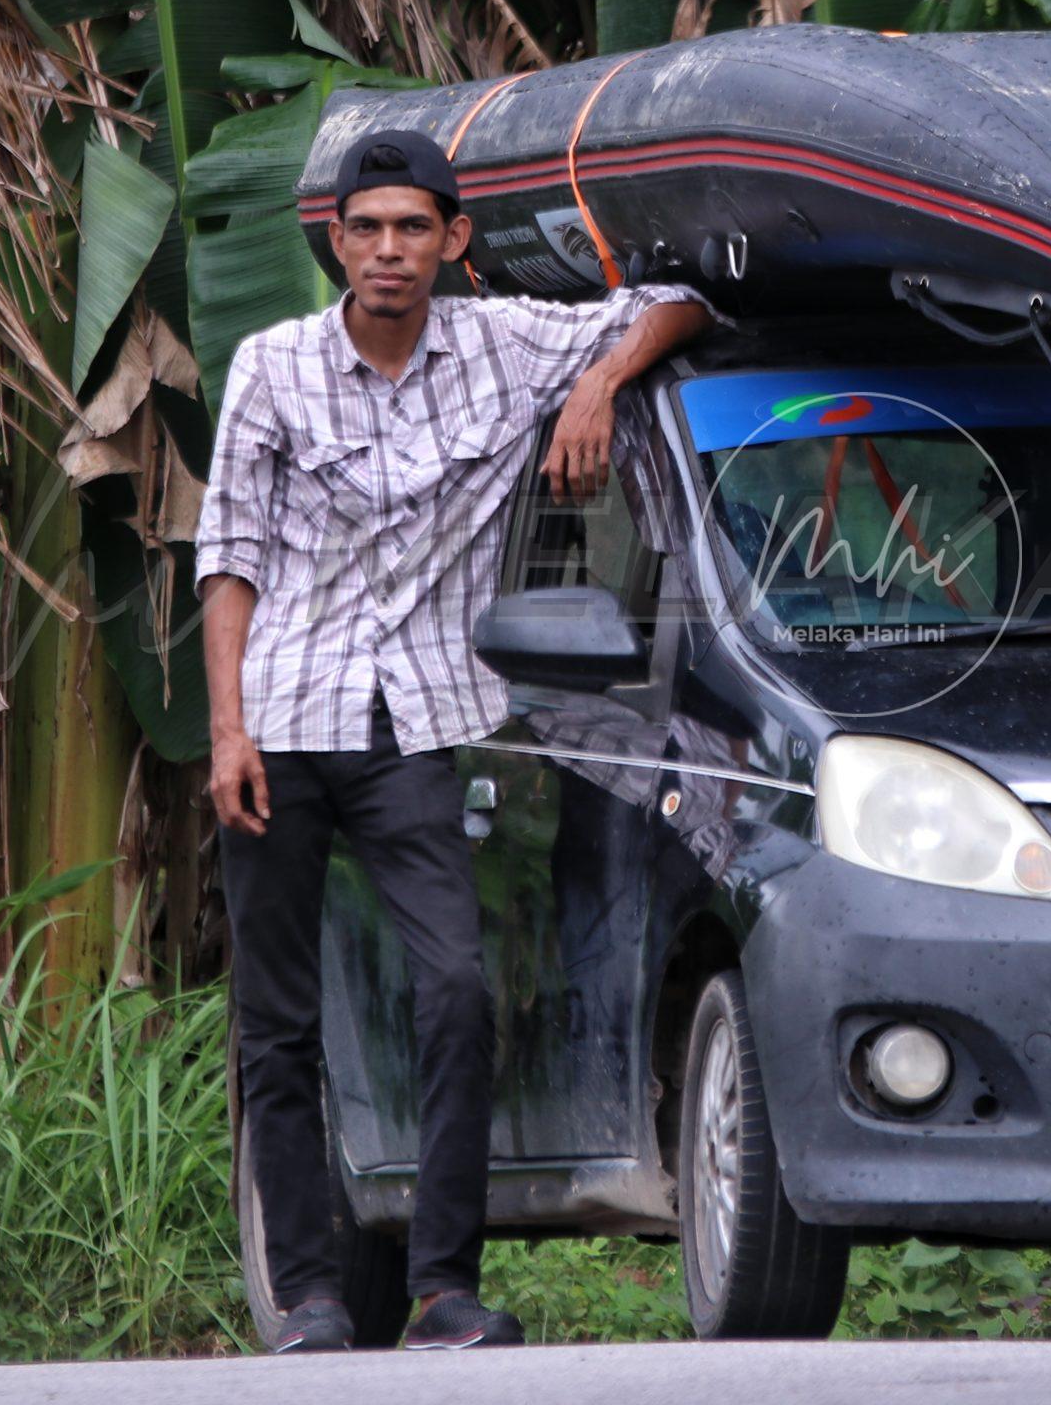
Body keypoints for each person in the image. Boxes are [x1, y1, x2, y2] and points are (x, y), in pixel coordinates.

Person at [196, 130, 710, 1354]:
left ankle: (443, 1285)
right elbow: (228, 556)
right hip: (279, 723)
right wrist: (225, 731)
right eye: (367, 228)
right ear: (336, 241)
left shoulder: (504, 342)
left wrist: (595, 384)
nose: (388, 250)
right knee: (276, 1018)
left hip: (416, 727)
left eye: (412, 228)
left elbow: (680, 302)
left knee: (456, 991)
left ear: (452, 241)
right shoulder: (271, 367)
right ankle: (313, 1295)